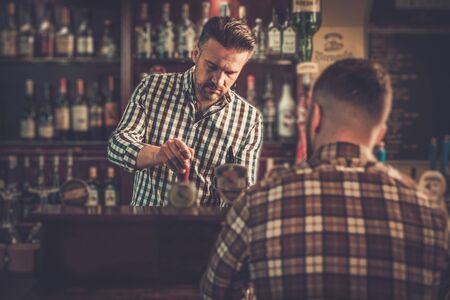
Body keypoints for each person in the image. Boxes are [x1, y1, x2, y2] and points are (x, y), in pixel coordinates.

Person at [200, 58, 449, 299]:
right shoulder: (432, 215)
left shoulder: (258, 202)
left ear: (315, 116)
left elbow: (213, 290)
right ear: (380, 133)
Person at [108, 17, 262, 206]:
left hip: (205, 231)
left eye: (230, 73)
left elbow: (242, 196)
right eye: (212, 67)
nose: (218, 81)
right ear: (196, 53)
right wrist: (158, 155)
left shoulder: (248, 118)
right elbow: (116, 146)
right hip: (148, 225)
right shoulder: (153, 88)